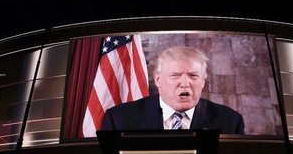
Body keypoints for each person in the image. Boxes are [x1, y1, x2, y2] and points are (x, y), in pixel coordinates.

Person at [101, 46, 245, 134]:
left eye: (193, 75)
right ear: (158, 80)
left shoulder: (230, 121)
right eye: (175, 76)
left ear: (203, 82)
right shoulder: (119, 119)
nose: (185, 83)